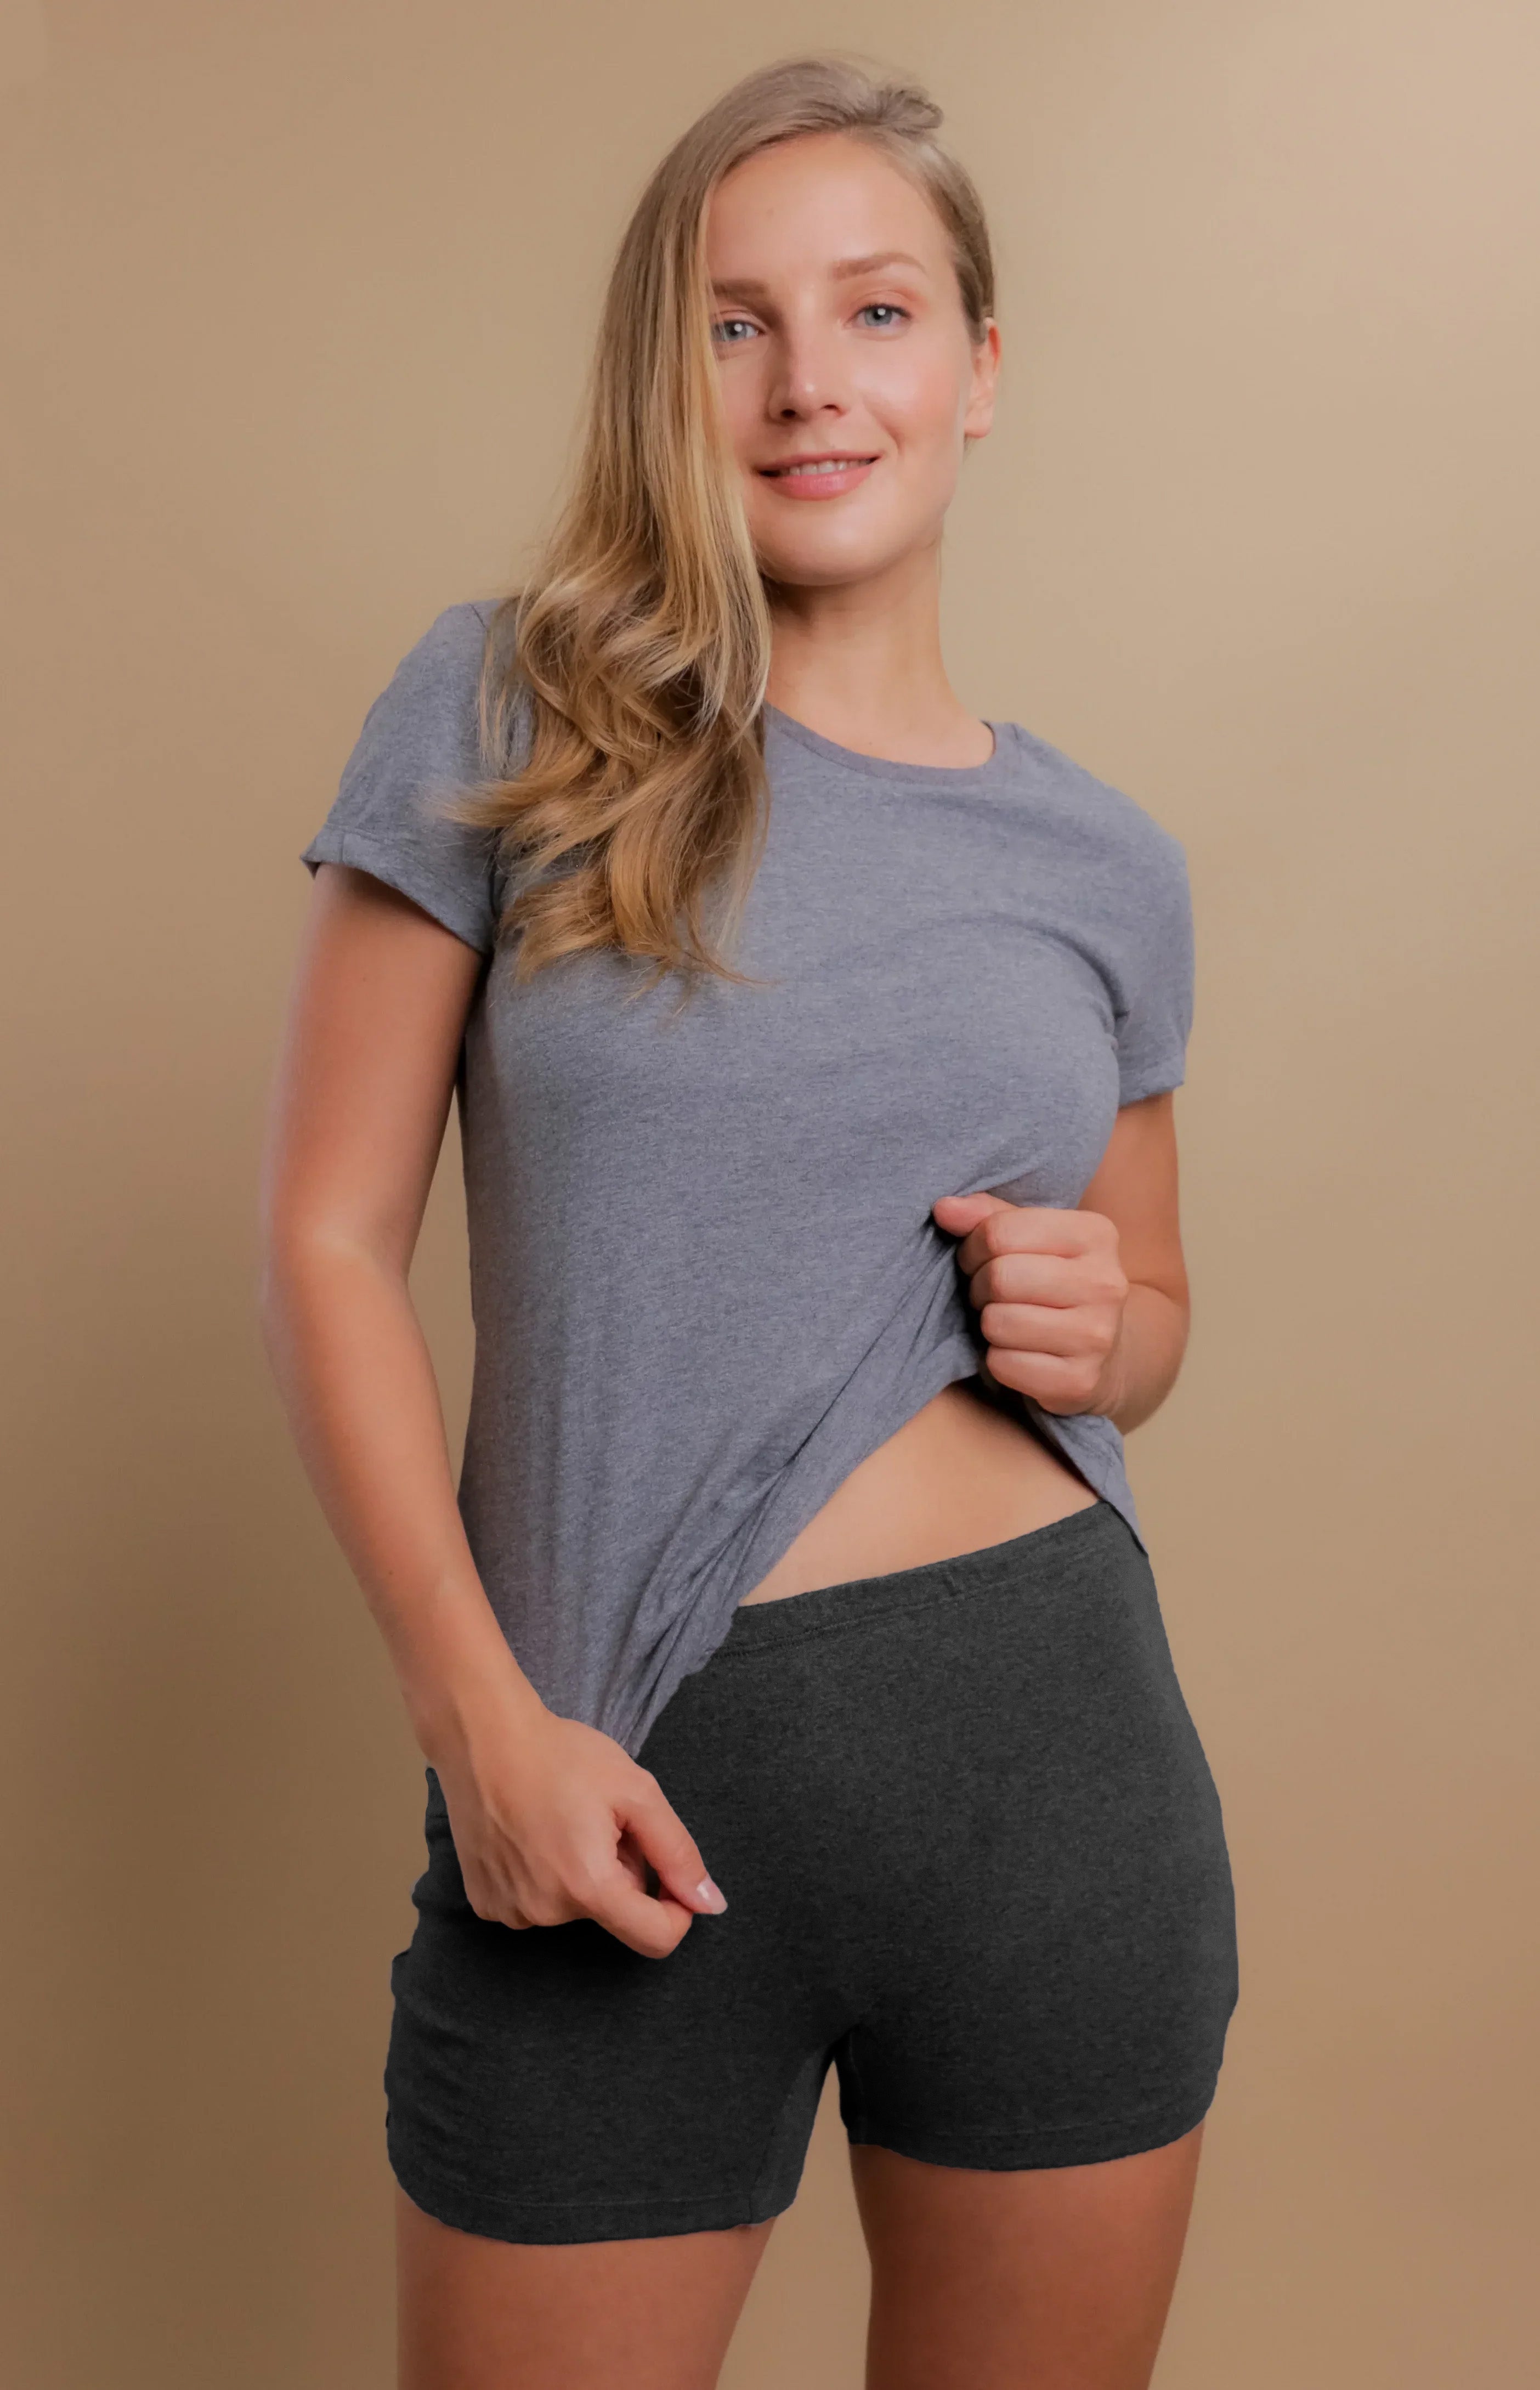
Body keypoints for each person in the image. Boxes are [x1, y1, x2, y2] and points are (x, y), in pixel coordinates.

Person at [258, 50, 1239, 2390]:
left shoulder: (1106, 863)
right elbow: (326, 1241)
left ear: (977, 368)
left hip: (1062, 1786)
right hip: (607, 1798)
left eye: (877, 312)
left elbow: (1154, 1310)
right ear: (663, 376)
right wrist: (479, 1726)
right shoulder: (507, 709)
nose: (810, 380)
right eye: (736, 323)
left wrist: (1107, 1323)